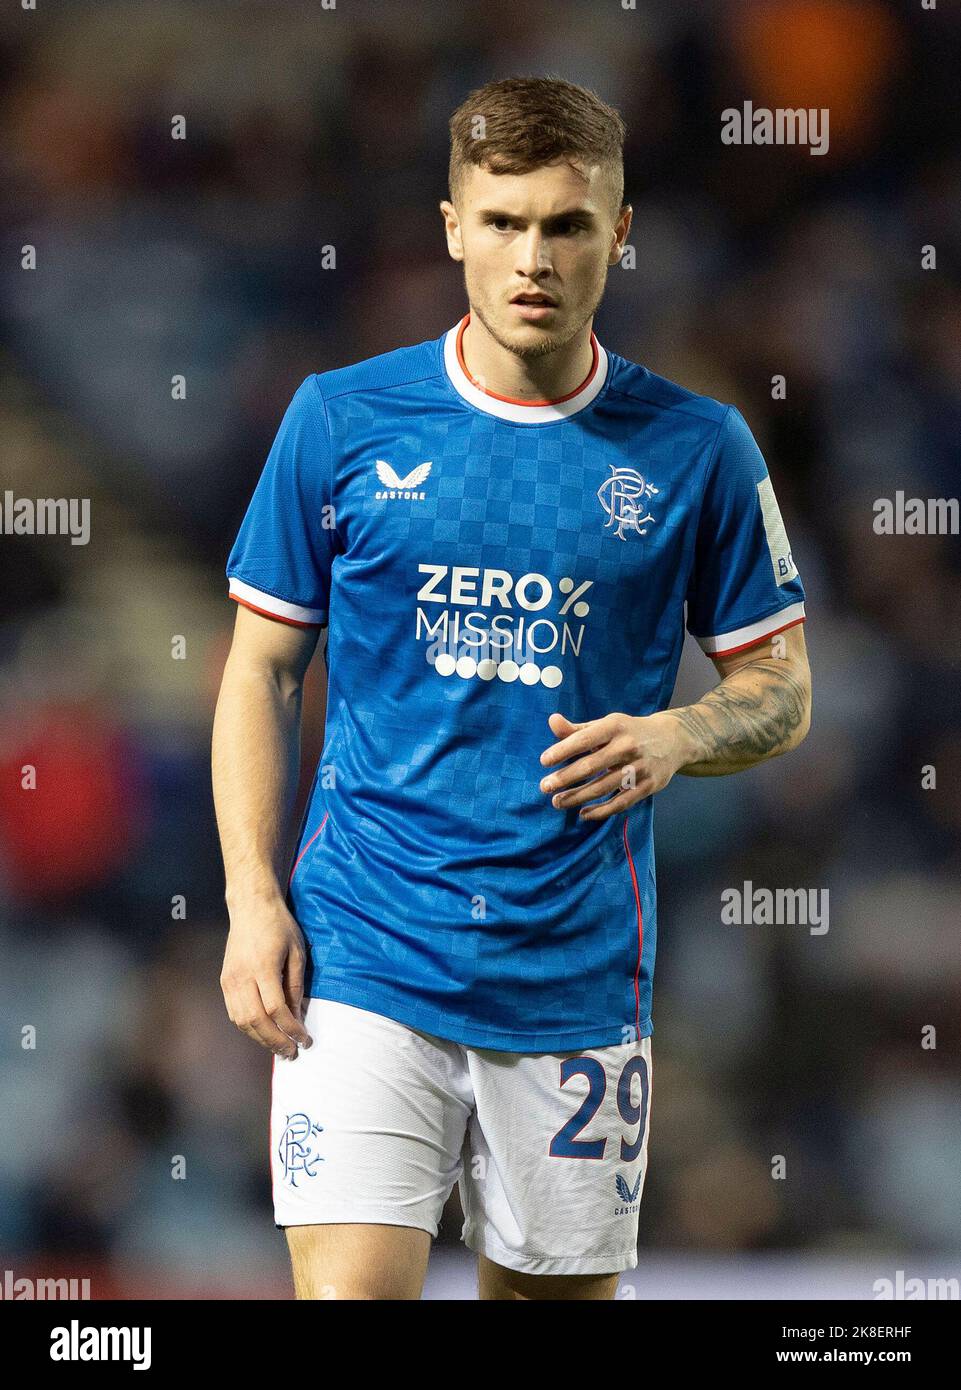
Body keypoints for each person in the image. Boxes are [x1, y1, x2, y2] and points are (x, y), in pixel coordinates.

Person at [212, 75, 811, 1301]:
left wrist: (678, 733)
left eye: (566, 224)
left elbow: (782, 687)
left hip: (575, 978)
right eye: (501, 222)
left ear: (620, 234)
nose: (530, 256)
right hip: (362, 952)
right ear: (450, 227)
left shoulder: (697, 450)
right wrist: (249, 898)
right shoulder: (342, 420)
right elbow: (261, 671)